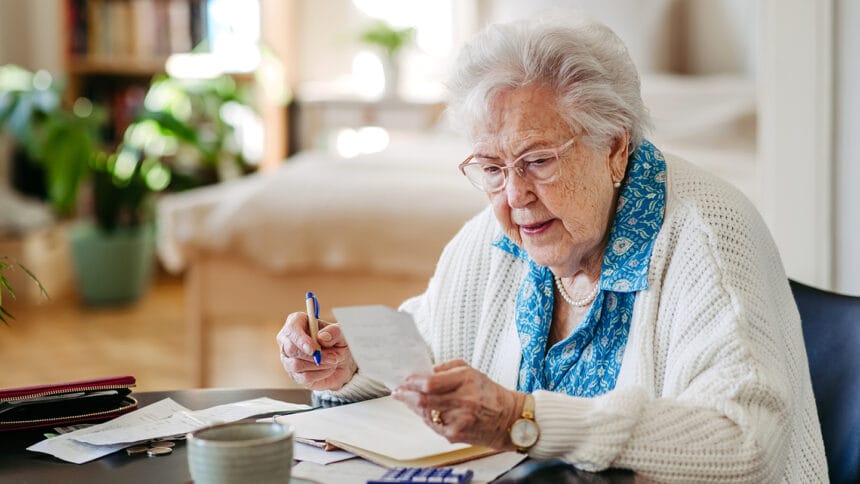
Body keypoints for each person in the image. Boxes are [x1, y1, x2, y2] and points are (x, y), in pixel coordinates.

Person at [277, 15, 827, 482]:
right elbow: (430, 344)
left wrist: (526, 419)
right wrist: (346, 363)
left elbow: (746, 441)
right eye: (492, 168)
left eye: (539, 161)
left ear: (615, 148)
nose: (515, 196)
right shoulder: (495, 241)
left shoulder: (707, 237)